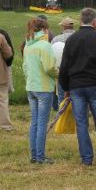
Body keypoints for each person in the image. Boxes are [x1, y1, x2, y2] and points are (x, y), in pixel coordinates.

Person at [59, 7, 96, 166]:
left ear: (80, 21)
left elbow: (64, 66)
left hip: (76, 86)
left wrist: (66, 87)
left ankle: (86, 158)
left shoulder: (71, 39)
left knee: (82, 123)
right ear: (95, 21)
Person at [22, 17, 57, 163]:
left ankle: (34, 154)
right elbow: (49, 67)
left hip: (31, 87)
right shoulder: (44, 45)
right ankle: (40, 156)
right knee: (42, 123)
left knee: (34, 122)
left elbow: (25, 67)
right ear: (44, 29)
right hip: (43, 88)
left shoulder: (28, 46)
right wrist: (58, 73)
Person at [0, 16, 15, 94]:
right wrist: (8, 63)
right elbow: (10, 50)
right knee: (4, 88)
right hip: (3, 63)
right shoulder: (3, 32)